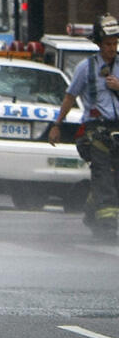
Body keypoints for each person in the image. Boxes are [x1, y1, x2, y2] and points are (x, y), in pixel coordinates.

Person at [50, 13, 119, 238]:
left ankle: (91, 212)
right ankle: (108, 225)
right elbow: (70, 97)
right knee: (103, 176)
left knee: (114, 178)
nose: (112, 48)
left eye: (115, 43)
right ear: (99, 44)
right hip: (96, 131)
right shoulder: (85, 68)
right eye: (108, 44)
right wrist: (57, 125)